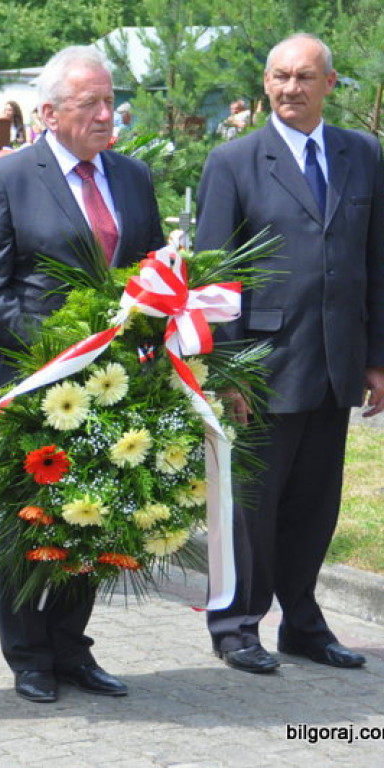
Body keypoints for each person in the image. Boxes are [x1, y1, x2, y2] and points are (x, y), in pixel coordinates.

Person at [0, 46, 164, 703]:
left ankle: (71, 647)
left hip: (113, 386)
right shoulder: (7, 179)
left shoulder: (131, 178)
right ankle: (27, 657)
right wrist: (51, 355)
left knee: (94, 518)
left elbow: (153, 275)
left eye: (111, 101)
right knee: (30, 522)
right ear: (48, 114)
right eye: (90, 105)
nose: (107, 115)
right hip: (31, 381)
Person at [194, 33, 384, 675]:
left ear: (330, 84)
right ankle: (236, 623)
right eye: (279, 76)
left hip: (335, 361)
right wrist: (226, 369)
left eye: (304, 77)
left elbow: (376, 262)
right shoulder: (234, 161)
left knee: (315, 503)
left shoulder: (364, 154)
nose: (290, 89)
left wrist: (377, 356)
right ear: (265, 81)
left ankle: (302, 624)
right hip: (262, 365)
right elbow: (213, 278)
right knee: (254, 506)